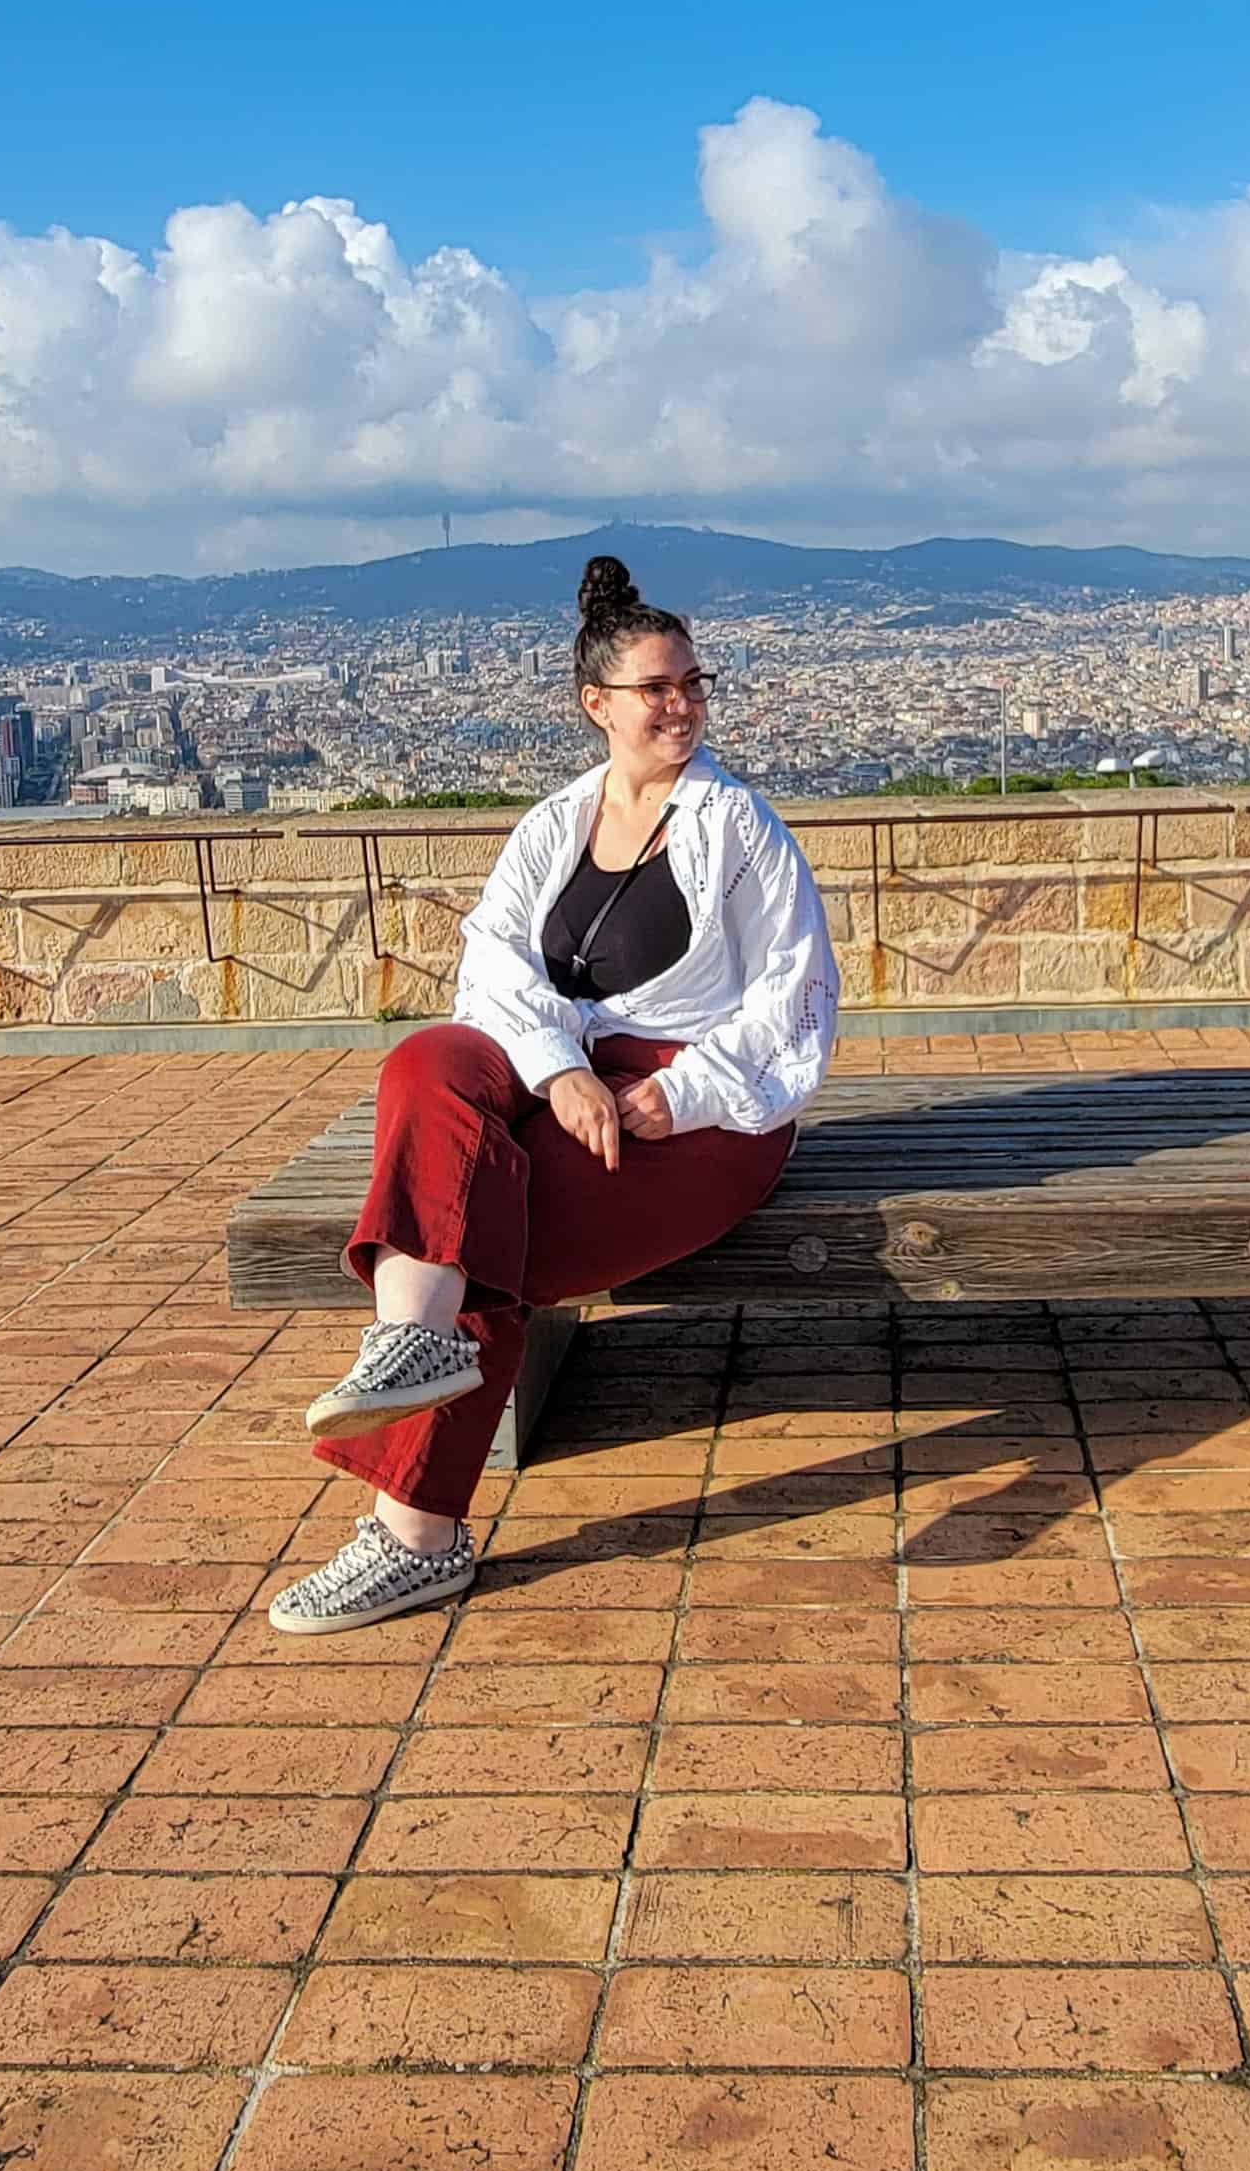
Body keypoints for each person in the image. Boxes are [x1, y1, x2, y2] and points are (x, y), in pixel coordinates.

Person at [268, 553, 839, 1631]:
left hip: (699, 1108)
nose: (681, 704)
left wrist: (695, 1091)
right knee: (424, 1061)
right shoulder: (552, 825)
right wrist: (560, 1069)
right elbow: (490, 968)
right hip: (565, 1071)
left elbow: (794, 992)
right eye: (656, 687)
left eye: (692, 682)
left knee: (489, 1237)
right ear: (596, 705)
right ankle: (414, 1344)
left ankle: (414, 1536)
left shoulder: (736, 828)